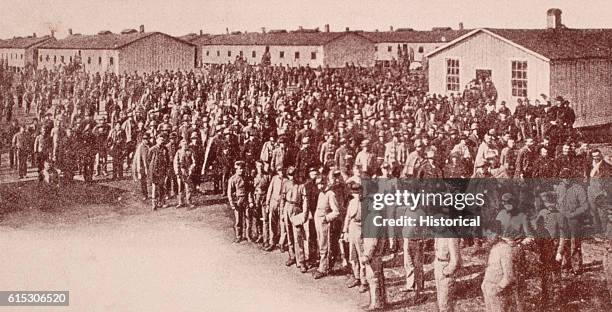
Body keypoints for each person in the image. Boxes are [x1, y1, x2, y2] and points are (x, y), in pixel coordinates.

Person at [556, 168, 588, 274]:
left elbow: (585, 206)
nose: (566, 180)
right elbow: (556, 202)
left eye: (567, 178)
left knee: (575, 243)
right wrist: (559, 211)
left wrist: (573, 214)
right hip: (562, 219)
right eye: (563, 178)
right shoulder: (559, 188)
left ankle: (577, 267)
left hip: (574, 220)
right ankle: (566, 265)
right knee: (564, 242)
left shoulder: (578, 189)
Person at [481, 232, 522, 312]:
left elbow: (508, 277)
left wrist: (498, 288)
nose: (487, 237)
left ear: (498, 234)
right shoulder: (494, 248)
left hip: (498, 292)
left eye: (491, 234)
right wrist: (484, 285)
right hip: (489, 290)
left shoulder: (505, 249)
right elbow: (490, 269)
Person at [280, 166, 308, 272]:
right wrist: (282, 213)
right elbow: (282, 199)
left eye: (294, 174)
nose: (292, 177)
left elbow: (305, 200)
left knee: (298, 236)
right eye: (290, 174)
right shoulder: (286, 184)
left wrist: (304, 214)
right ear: (288, 175)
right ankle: (292, 256)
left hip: (297, 209)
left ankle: (301, 261)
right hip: (287, 207)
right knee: (289, 234)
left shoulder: (301, 186)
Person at [313, 176, 340, 279]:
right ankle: (322, 264)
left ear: (325, 183)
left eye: (321, 184)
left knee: (324, 245)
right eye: (318, 184)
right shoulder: (321, 193)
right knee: (320, 243)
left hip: (324, 223)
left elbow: (336, 212)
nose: (319, 186)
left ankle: (323, 269)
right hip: (318, 221)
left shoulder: (330, 194)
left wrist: (326, 218)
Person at [343, 181, 368, 293]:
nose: (355, 194)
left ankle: (364, 281)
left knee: (361, 256)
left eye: (357, 192)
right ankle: (356, 277)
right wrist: (345, 231)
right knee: (352, 256)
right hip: (352, 228)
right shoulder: (352, 202)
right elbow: (348, 218)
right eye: (354, 192)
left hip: (361, 228)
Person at [227, 160, 253, 243]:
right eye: (240, 169)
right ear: (236, 169)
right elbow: (229, 193)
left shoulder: (246, 178)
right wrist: (232, 203)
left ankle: (248, 235)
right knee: (238, 219)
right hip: (238, 201)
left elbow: (249, 190)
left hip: (245, 200)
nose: (241, 170)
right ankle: (239, 236)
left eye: (242, 169)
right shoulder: (232, 179)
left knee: (248, 218)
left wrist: (250, 200)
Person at [434, 237, 461, 312]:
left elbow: (455, 261)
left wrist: (446, 271)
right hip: (438, 265)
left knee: (445, 303)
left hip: (445, 268)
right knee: (440, 300)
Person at [147, 134, 170, 211]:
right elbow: (149, 160)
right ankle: (154, 204)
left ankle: (161, 202)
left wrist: (166, 170)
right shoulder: (152, 149)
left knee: (162, 187)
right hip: (154, 171)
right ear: (156, 140)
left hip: (162, 171)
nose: (161, 141)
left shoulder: (165, 149)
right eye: (160, 140)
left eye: (162, 140)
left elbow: (167, 160)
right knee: (154, 187)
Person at [252, 161, 271, 246]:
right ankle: (260, 235)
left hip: (264, 198)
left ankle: (266, 239)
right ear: (256, 167)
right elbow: (250, 190)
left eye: (261, 166)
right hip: (256, 198)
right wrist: (251, 201)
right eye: (258, 166)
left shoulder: (267, 176)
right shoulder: (253, 176)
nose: (260, 168)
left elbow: (269, 188)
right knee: (257, 218)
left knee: (265, 219)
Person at [174, 139, 197, 208]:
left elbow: (194, 162)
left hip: (188, 172)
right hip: (180, 172)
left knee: (188, 187)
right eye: (183, 144)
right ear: (180, 145)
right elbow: (175, 162)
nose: (184, 145)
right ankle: (181, 202)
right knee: (180, 188)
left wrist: (191, 169)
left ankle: (189, 202)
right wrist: (177, 172)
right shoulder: (178, 152)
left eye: (186, 144)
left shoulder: (190, 152)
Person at [132, 132, 150, 201]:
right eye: (145, 139)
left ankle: (146, 194)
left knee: (145, 181)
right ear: (142, 139)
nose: (146, 140)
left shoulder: (147, 146)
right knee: (142, 181)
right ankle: (144, 194)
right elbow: (138, 158)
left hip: (146, 165)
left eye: (147, 139)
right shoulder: (140, 147)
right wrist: (139, 168)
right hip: (141, 166)